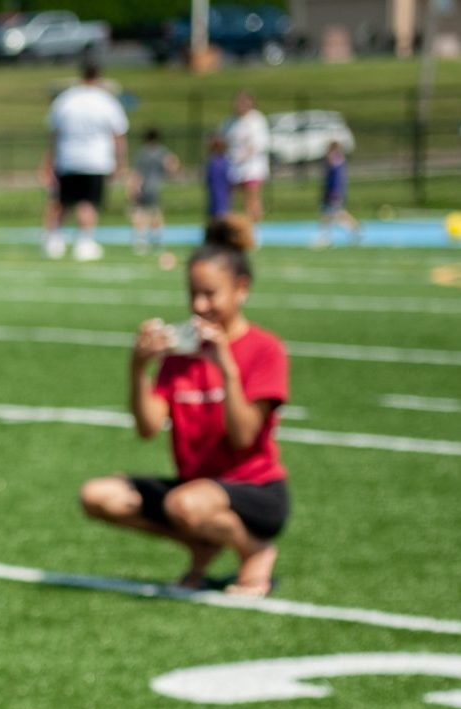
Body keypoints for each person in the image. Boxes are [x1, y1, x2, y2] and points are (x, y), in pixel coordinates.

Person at [78, 217, 288, 597]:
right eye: (193, 294)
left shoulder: (264, 349)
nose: (198, 305)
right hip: (193, 490)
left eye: (210, 295)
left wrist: (226, 367)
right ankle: (202, 542)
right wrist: (139, 366)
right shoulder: (180, 356)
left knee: (183, 504)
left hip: (255, 489)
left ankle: (255, 550)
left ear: (241, 289)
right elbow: (147, 428)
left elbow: (243, 438)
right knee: (98, 495)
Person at [42, 59, 127, 261]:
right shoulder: (106, 101)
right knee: (88, 203)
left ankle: (55, 241)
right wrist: (120, 162)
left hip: (68, 157)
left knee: (63, 201)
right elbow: (118, 135)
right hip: (96, 160)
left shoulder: (66, 99)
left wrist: (49, 161)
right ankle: (84, 242)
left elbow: (54, 133)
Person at [127, 127, 179, 253]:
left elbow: (137, 173)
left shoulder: (143, 153)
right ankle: (157, 239)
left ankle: (142, 241)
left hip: (144, 186)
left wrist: (133, 188)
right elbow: (172, 163)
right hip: (155, 186)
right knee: (155, 212)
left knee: (141, 213)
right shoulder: (161, 152)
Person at [226, 91, 270, 223]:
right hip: (233, 166)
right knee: (231, 199)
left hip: (252, 167)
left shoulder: (257, 120)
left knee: (251, 199)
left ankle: (254, 228)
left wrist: (246, 154)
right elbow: (224, 140)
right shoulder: (230, 122)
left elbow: (260, 143)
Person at [315, 140, 361, 248]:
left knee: (336, 214)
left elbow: (337, 182)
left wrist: (335, 193)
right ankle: (325, 237)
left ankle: (355, 230)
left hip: (334, 194)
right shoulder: (333, 163)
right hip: (331, 193)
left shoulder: (336, 163)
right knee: (328, 215)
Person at [204, 132, 233, 222]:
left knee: (219, 213)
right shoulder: (224, 161)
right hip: (220, 192)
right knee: (220, 212)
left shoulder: (214, 162)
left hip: (220, 193)